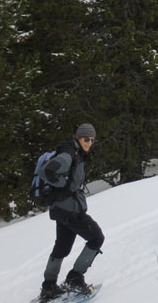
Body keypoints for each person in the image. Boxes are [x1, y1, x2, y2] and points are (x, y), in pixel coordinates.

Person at [38, 123, 104, 301]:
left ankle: (49, 286)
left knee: (62, 247)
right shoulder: (69, 154)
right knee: (97, 238)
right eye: (86, 139)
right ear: (78, 137)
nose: (89, 142)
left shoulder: (74, 151)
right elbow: (47, 171)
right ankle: (75, 278)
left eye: (92, 139)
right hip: (70, 210)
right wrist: (65, 187)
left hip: (61, 209)